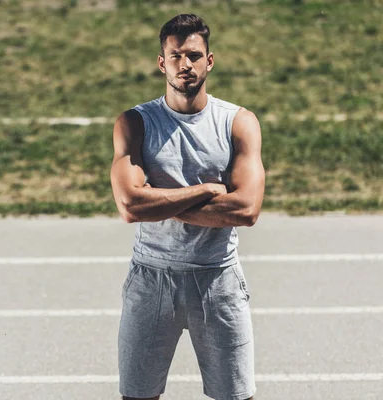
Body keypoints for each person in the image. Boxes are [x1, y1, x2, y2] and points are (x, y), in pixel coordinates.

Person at [110, 13, 265, 400]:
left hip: (218, 280)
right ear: (162, 62)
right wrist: (208, 190)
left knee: (236, 397)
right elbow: (130, 205)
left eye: (194, 55)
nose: (186, 65)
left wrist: (159, 199)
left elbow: (246, 209)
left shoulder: (238, 123)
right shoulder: (135, 123)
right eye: (176, 56)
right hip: (151, 278)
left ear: (209, 60)